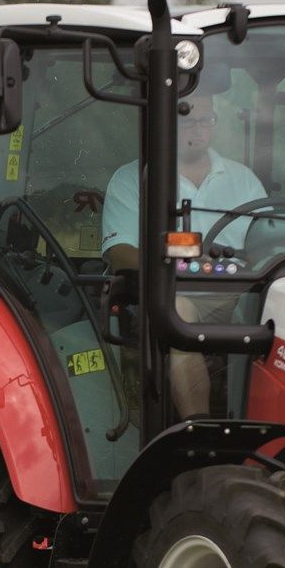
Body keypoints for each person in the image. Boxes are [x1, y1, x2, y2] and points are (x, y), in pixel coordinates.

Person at [97, 93, 267, 417]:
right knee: (178, 310)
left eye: (207, 120)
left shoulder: (242, 179)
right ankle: (198, 428)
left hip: (238, 289)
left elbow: (267, 242)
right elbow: (119, 253)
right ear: (167, 123)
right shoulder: (133, 178)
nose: (199, 129)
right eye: (189, 119)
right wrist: (177, 265)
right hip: (172, 290)